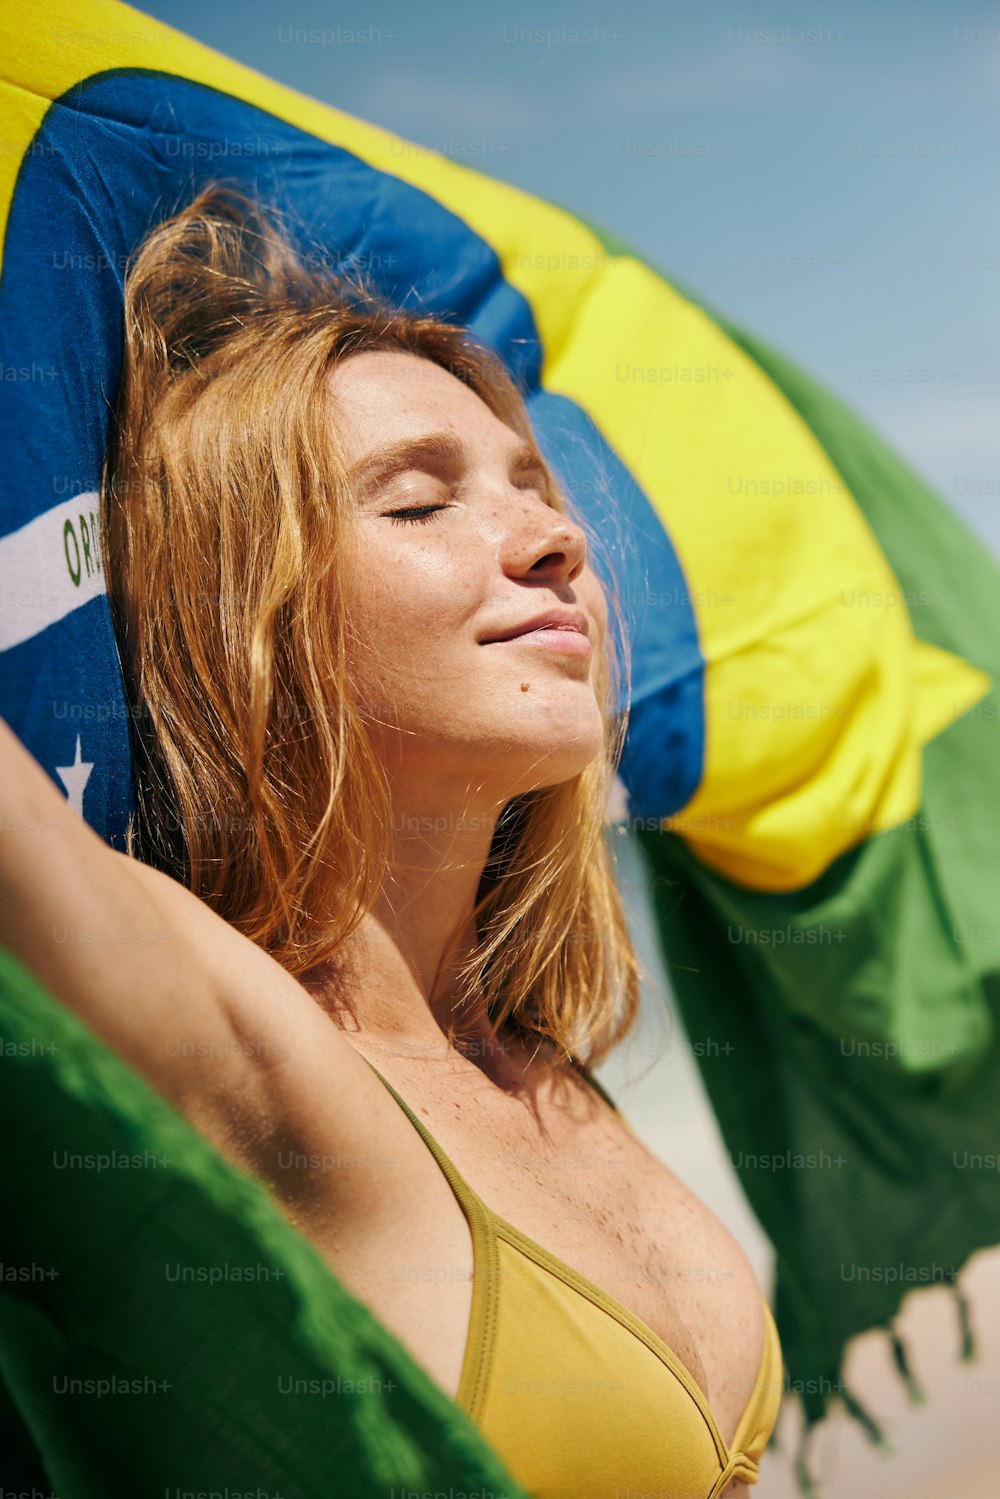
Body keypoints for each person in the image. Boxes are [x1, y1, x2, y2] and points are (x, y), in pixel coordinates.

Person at [0, 184, 781, 1498]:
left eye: (534, 488)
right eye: (420, 507)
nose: (558, 540)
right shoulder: (251, 1063)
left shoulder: (543, 1073)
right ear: (256, 618)